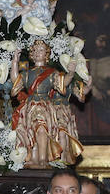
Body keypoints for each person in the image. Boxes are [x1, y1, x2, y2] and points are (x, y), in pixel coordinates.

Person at [10, 39, 84, 167]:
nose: (38, 53)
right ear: (32, 54)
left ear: (46, 54)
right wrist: (15, 62)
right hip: (29, 107)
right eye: (35, 50)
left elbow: (62, 83)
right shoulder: (27, 73)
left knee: (42, 129)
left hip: (44, 106)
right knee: (30, 132)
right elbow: (16, 81)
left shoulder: (51, 73)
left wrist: (71, 73)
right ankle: (32, 158)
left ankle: (43, 158)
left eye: (41, 50)